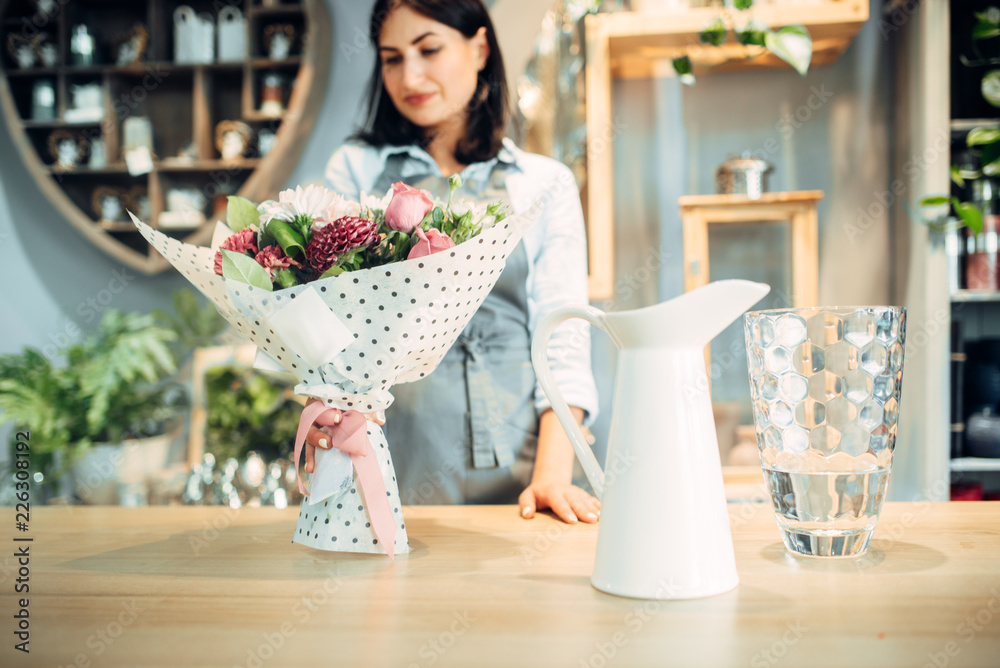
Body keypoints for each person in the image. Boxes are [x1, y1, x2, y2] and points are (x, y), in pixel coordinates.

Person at [303, 0, 599, 525]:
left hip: (524, 469)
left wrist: (552, 476)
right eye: (391, 58)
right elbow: (328, 325)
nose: (409, 75)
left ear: (480, 47)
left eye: (429, 49)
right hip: (383, 458)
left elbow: (564, 337)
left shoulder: (544, 183)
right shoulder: (354, 169)